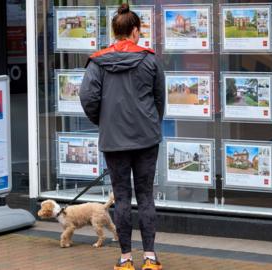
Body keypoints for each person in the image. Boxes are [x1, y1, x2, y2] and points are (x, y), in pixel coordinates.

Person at [80, 3, 164, 270]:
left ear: (115, 31)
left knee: (122, 198)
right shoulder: (150, 59)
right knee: (146, 196)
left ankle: (125, 259)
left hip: (114, 140)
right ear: (135, 31)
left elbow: (87, 97)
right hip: (146, 138)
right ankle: (150, 258)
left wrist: (104, 121)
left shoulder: (98, 61)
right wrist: (150, 122)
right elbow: (159, 99)